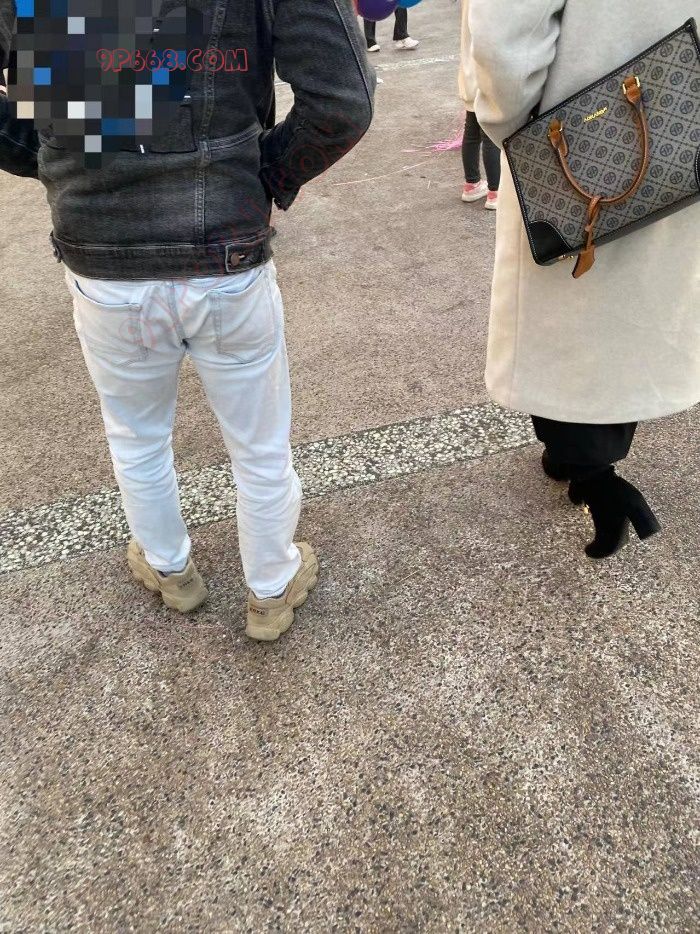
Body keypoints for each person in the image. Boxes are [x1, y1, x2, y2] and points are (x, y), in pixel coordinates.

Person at [0, 0, 375, 639]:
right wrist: (259, 175)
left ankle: (170, 568)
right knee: (259, 442)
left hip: (101, 251)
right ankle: (271, 586)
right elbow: (342, 102)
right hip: (223, 250)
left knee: (136, 433)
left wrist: (67, 157)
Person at [469, 0, 700, 558]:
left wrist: (517, 134)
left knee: (565, 327)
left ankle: (595, 477)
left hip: (573, 152)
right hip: (679, 127)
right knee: (635, 311)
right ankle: (575, 458)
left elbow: (505, 47)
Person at [458, 0, 499, 209]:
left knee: (472, 130)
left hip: (468, 72)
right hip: (485, 72)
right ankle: (495, 191)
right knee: (490, 134)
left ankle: (472, 184)